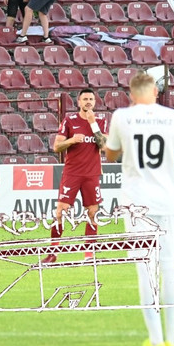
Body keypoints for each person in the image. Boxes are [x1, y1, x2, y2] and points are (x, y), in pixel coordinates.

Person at [104, 71, 174, 346]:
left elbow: (110, 154)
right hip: (167, 200)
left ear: (131, 94)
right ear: (156, 92)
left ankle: (154, 340)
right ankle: (173, 338)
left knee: (146, 271)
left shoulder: (121, 116)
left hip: (135, 204)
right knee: (170, 267)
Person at [45, 88, 108, 264]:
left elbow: (103, 146)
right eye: (85, 99)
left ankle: (89, 254)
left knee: (93, 213)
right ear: (78, 102)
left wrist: (93, 123)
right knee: (60, 212)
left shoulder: (101, 121)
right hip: (72, 173)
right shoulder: (69, 120)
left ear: (95, 102)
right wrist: (72, 140)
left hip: (91, 174)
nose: (88, 102)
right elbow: (57, 147)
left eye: (91, 99)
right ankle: (53, 253)